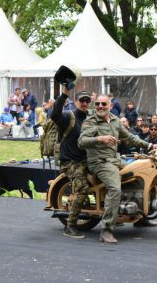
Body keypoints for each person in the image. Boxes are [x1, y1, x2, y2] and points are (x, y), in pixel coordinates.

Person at [78, 95, 157, 244]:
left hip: (115, 160)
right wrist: (100, 138)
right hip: (99, 162)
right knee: (115, 189)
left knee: (140, 176)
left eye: (103, 104)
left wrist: (149, 145)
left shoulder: (115, 120)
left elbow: (130, 137)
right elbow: (81, 142)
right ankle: (106, 229)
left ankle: (140, 218)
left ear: (110, 105)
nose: (100, 106)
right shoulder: (91, 122)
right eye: (97, 104)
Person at [51, 86, 91, 238]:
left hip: (87, 160)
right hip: (71, 162)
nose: (85, 103)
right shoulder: (69, 116)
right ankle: (70, 226)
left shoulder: (91, 118)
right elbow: (54, 114)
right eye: (82, 100)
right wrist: (64, 94)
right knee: (82, 189)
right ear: (75, 102)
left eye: (87, 100)